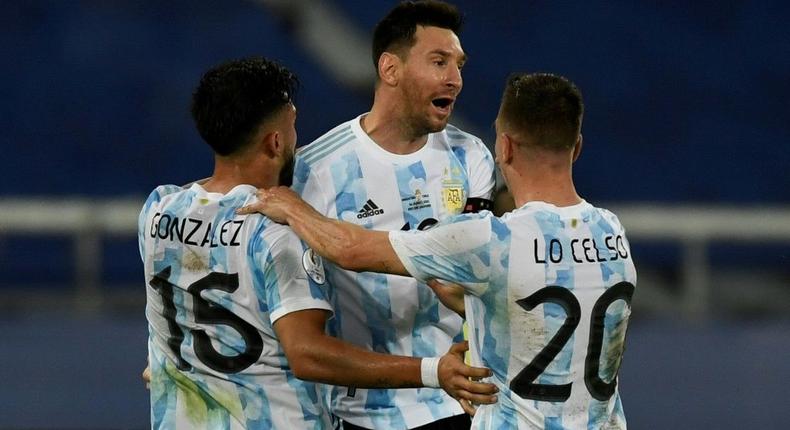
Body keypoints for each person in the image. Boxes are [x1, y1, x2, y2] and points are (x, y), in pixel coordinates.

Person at [239, 72, 638, 429]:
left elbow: (350, 250)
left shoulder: (490, 241)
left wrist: (292, 205)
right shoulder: (611, 231)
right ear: (578, 146)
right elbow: (534, 309)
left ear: (505, 148)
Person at [139, 57, 497, 429]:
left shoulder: (159, 210)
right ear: (276, 141)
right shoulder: (280, 233)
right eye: (293, 127)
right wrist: (431, 371)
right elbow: (308, 354)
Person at [290, 1, 496, 428]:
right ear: (390, 69)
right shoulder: (316, 170)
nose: (454, 79)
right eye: (439, 61)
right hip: (354, 411)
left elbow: (464, 280)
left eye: (459, 65)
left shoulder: (470, 155)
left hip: (452, 402)